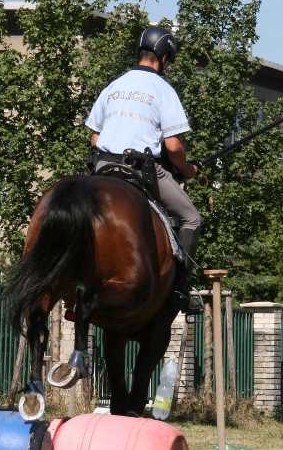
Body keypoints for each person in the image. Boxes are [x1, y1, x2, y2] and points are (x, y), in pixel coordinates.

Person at [85, 26, 203, 314]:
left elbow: (94, 137)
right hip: (138, 168)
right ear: (164, 58)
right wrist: (187, 170)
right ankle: (179, 290)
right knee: (192, 219)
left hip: (101, 166)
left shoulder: (114, 85)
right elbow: (173, 147)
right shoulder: (163, 89)